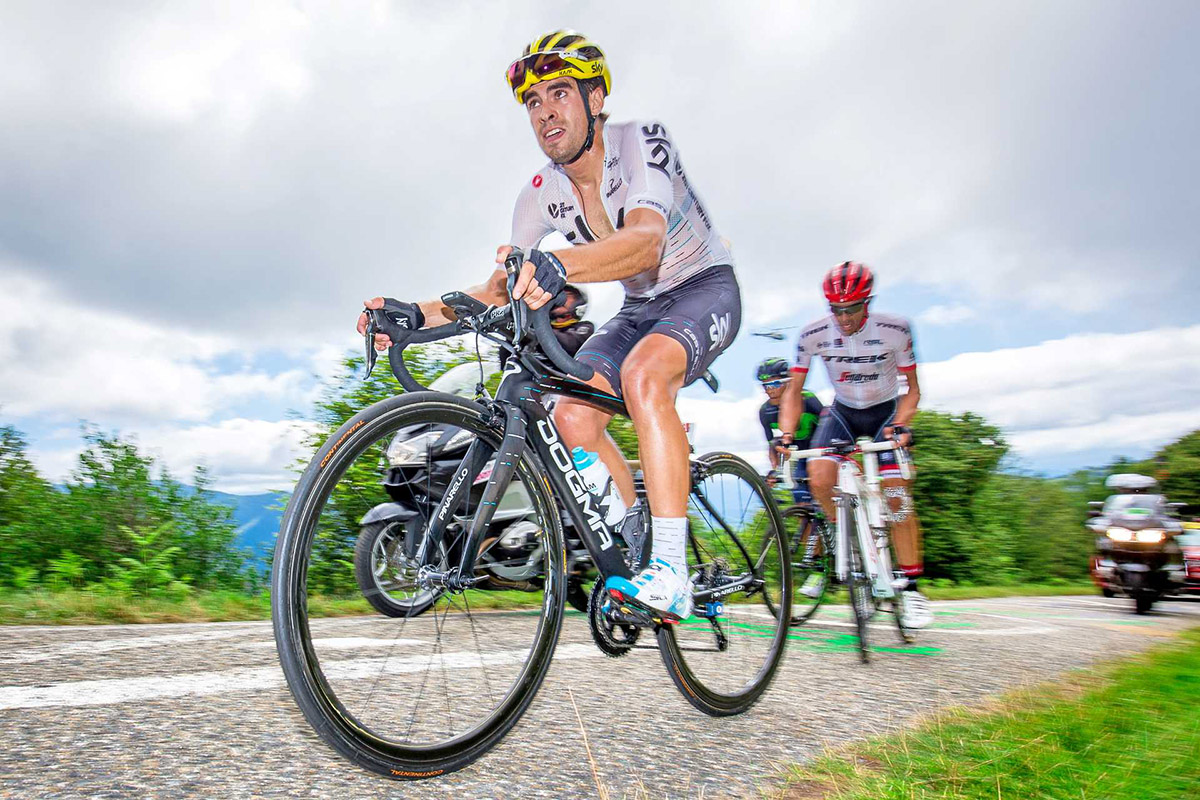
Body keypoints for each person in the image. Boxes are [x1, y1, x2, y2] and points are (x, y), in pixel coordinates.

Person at [357, 30, 741, 620]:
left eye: (559, 93)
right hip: (641, 308)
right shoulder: (539, 193)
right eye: (533, 103)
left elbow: (645, 242)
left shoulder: (641, 141)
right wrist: (414, 315)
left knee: (643, 377)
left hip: (704, 287)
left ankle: (672, 571)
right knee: (569, 413)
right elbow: (495, 288)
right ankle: (637, 536)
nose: (545, 112)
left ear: (594, 100)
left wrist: (556, 262)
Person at [777, 262, 932, 628]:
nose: (844, 318)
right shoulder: (812, 334)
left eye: (852, 308)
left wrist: (901, 425)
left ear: (868, 302)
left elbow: (914, 390)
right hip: (844, 412)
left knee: (897, 499)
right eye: (836, 310)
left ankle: (911, 588)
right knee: (817, 477)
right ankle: (840, 532)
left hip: (885, 413)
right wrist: (785, 435)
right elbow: (793, 392)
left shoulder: (895, 330)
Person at [756, 357, 823, 503]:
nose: (770, 390)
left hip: (820, 450)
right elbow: (772, 444)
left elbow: (829, 427)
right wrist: (775, 470)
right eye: (765, 385)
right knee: (801, 500)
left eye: (775, 383)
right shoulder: (765, 411)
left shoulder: (808, 399)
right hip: (800, 454)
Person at [549, 283, 594, 357]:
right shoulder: (545, 323)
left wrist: (538, 328)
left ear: (579, 301)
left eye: (568, 295)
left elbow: (571, 344)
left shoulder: (586, 327)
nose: (561, 297)